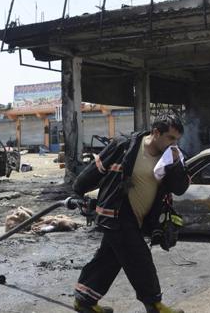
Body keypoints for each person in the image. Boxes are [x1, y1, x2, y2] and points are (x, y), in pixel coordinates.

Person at [71, 115, 190, 313]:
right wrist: (76, 192)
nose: (174, 143)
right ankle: (154, 304)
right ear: (156, 132)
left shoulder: (170, 157)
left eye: (177, 139)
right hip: (115, 214)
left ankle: (84, 301)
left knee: (108, 258)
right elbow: (96, 169)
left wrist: (176, 165)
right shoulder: (125, 146)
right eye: (170, 138)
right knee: (139, 257)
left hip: (139, 220)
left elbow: (180, 188)